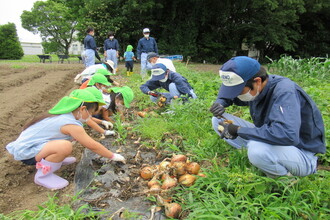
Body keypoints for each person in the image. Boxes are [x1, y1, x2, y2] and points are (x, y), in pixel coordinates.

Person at [210, 56, 326, 178]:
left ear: (257, 81)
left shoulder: (285, 92)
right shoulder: (260, 87)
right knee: (218, 121)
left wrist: (238, 130)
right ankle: (262, 157)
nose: (236, 94)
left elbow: (287, 135)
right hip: (274, 140)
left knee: (257, 150)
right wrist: (221, 102)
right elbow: (231, 97)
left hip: (300, 152)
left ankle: (285, 180)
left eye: (238, 90)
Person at [6, 89, 125, 190]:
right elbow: (92, 145)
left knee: (66, 144)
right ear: (83, 109)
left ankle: (53, 160)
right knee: (64, 146)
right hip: (27, 153)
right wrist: (112, 156)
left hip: (31, 146)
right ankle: (43, 176)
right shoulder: (70, 124)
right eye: (91, 114)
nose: (90, 117)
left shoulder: (64, 115)